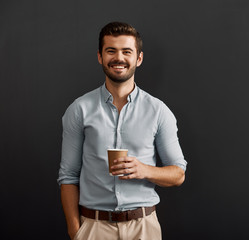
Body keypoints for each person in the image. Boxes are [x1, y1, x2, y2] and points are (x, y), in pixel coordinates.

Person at [57, 22, 187, 240]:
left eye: (127, 51)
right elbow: (68, 176)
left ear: (139, 58)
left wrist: (144, 170)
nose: (119, 58)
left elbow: (178, 174)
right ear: (100, 57)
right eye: (111, 51)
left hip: (143, 228)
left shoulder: (158, 111)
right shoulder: (79, 109)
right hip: (93, 228)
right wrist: (75, 231)